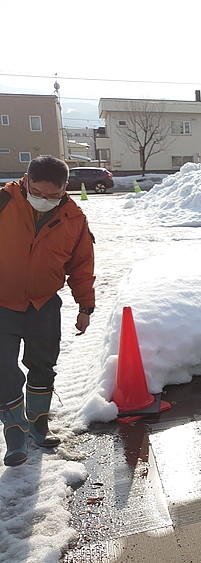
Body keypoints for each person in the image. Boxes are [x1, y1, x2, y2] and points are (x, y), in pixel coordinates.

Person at [0, 156, 95, 467]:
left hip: (43, 304)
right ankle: (14, 432)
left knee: (43, 365)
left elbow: (81, 267)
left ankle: (38, 423)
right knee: (3, 369)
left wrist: (85, 306)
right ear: (26, 181)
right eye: (37, 193)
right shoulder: (3, 202)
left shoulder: (73, 218)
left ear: (64, 189)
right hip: (2, 304)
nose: (44, 200)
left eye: (52, 196)